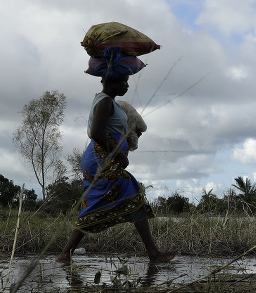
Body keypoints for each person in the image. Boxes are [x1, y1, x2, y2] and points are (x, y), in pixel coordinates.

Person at [56, 47, 176, 265]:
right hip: (101, 158)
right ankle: (154, 254)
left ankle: (65, 254)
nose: (127, 85)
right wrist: (118, 154)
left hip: (100, 157)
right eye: (124, 81)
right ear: (112, 80)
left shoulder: (108, 102)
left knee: (94, 203)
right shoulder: (104, 102)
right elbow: (95, 132)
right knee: (132, 193)